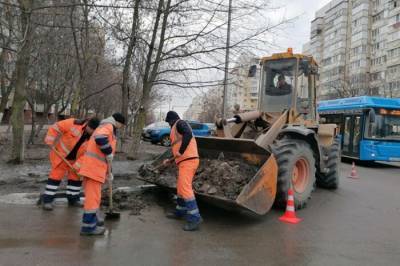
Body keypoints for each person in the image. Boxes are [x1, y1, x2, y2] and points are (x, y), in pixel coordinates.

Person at [78, 113, 125, 236]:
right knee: (93, 200)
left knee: (92, 198)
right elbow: (100, 138)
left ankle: (92, 222)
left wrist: (109, 173)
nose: (121, 127)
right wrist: (109, 151)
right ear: (118, 122)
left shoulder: (105, 126)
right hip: (94, 169)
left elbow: (105, 158)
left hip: (93, 168)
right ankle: (88, 228)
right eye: (122, 125)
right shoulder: (108, 126)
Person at [42, 117, 100, 211]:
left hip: (77, 160)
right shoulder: (73, 123)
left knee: (76, 179)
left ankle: (73, 199)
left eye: (94, 131)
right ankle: (47, 201)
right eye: (91, 130)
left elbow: (89, 153)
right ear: (88, 125)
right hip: (61, 157)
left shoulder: (95, 137)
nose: (92, 132)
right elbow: (55, 127)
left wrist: (79, 164)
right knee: (55, 178)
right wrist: (50, 139)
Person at [164, 111, 202, 231]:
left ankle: (195, 218)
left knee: (185, 189)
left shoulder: (180, 123)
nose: (169, 125)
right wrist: (169, 160)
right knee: (181, 188)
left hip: (189, 161)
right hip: (184, 161)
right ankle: (180, 211)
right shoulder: (176, 129)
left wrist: (181, 151)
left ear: (171, 120)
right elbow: (177, 147)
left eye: (169, 123)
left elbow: (188, 134)